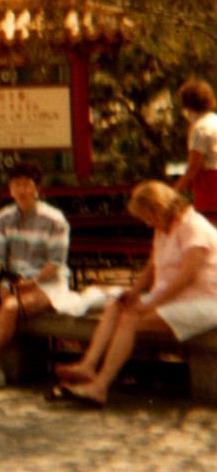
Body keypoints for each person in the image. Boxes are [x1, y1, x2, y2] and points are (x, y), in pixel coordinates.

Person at [52, 181, 217, 407]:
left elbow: (188, 276)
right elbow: (152, 266)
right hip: (176, 297)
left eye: (147, 216)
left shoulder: (193, 226)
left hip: (204, 301)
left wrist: (151, 304)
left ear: (158, 209)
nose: (147, 223)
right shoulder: (164, 227)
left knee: (131, 317)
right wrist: (133, 293)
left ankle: (99, 387)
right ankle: (88, 365)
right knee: (117, 304)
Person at [0, 161, 70, 389]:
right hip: (15, 282)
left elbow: (56, 262)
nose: (22, 190)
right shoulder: (3, 217)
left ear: (37, 187)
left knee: (9, 307)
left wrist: (33, 281)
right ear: (10, 189)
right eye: (16, 185)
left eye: (27, 184)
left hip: (48, 285)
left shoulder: (55, 219)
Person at [174, 79, 217, 215]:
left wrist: (175, 190)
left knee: (209, 223)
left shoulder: (199, 128)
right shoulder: (214, 120)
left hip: (210, 182)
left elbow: (194, 166)